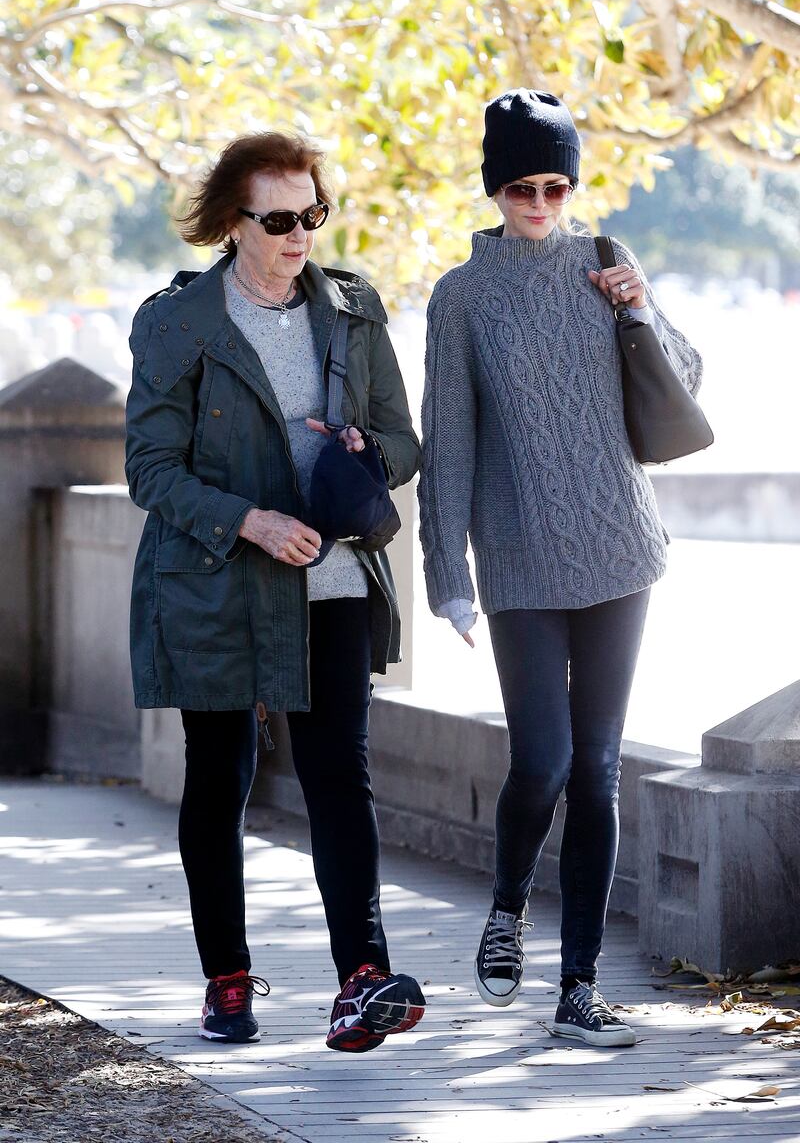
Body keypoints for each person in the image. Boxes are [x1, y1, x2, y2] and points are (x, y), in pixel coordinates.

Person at [125, 131, 425, 1051]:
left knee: (341, 773)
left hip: (332, 578)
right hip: (215, 581)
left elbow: (405, 445)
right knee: (220, 778)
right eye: (281, 219)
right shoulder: (177, 323)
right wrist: (249, 521)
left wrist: (364, 456)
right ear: (233, 221)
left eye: (314, 214)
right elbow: (149, 468)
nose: (302, 235)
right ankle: (228, 982)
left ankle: (362, 979)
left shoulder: (353, 312)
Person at [418, 89, 703, 1047]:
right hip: (520, 557)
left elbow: (685, 381)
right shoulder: (462, 297)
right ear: (496, 189)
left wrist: (643, 306)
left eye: (556, 184)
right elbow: (448, 444)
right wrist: (445, 573)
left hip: (623, 545)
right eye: (522, 186)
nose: (541, 202)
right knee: (542, 760)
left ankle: (577, 988)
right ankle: (507, 907)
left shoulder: (608, 262)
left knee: (602, 769)